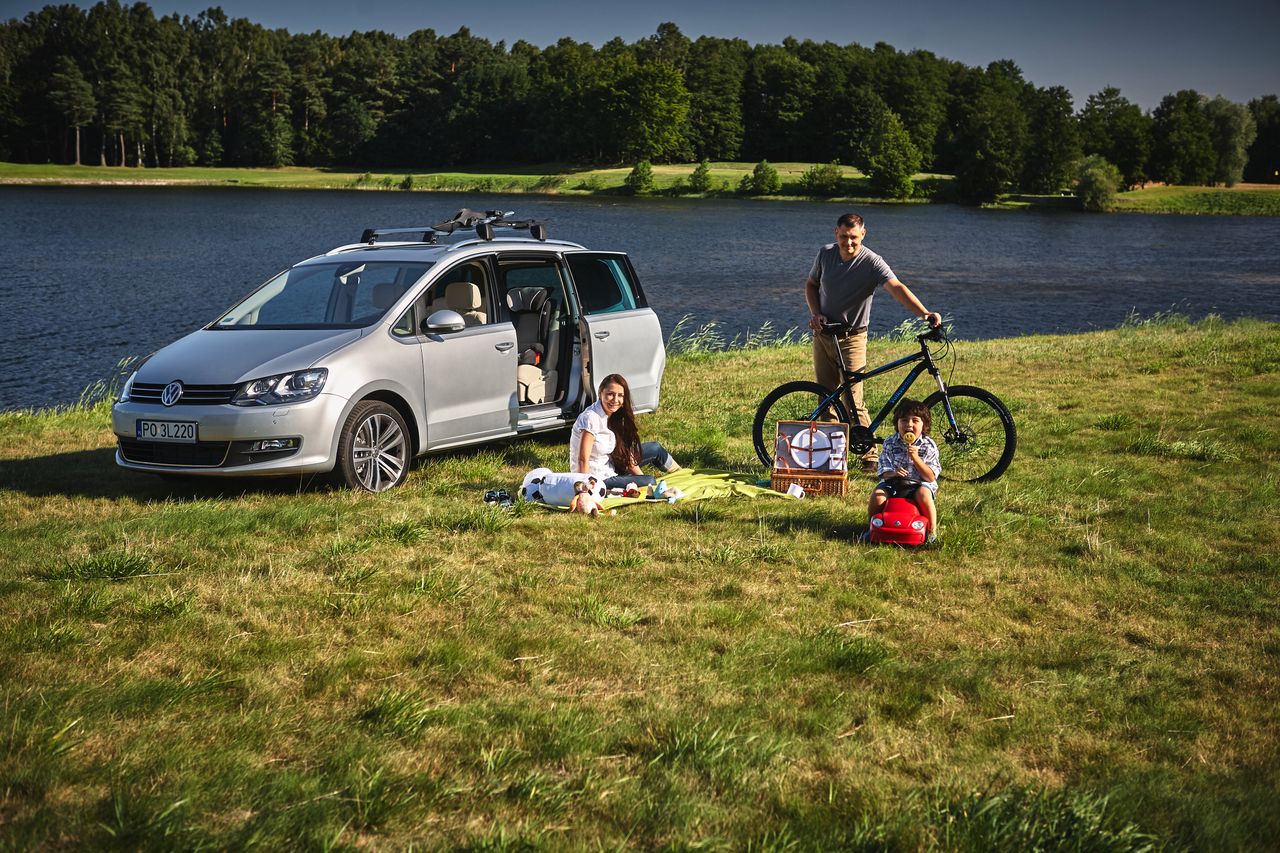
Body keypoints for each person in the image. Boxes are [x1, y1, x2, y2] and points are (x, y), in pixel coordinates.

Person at [805, 212, 942, 472]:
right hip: (824, 335)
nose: (849, 243)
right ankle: (830, 457)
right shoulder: (825, 254)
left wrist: (924, 313)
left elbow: (897, 287)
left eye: (854, 237)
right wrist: (815, 314)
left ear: (863, 235)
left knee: (852, 398)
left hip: (853, 337)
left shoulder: (872, 262)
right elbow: (811, 285)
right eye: (844, 237)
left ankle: (868, 455)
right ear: (836, 233)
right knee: (825, 398)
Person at [570, 373, 680, 491]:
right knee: (650, 481)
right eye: (610, 394)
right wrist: (584, 490)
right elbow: (582, 459)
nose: (615, 400)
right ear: (600, 393)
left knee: (655, 448)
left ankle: (681, 474)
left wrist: (639, 476)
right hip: (599, 478)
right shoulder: (591, 418)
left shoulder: (616, 415)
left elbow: (625, 454)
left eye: (620, 395)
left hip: (612, 463)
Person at [868, 398, 941, 541]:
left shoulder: (928, 445)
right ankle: (871, 528)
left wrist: (916, 458)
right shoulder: (890, 442)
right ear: (897, 424)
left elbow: (931, 477)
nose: (909, 425)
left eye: (915, 421)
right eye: (904, 420)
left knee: (924, 495)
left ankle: (932, 533)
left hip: (920, 484)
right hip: (893, 482)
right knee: (877, 496)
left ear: (924, 425)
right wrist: (893, 473)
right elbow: (883, 470)